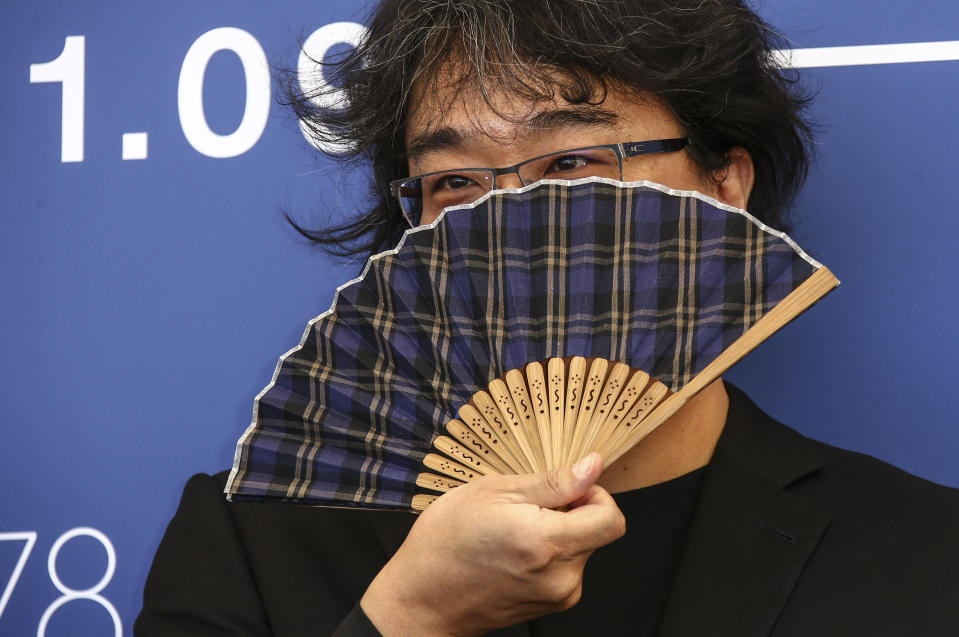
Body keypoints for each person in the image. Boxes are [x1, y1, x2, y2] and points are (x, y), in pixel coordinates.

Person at [136, 1, 959, 635]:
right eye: (453, 183)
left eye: (572, 162)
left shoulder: (925, 552)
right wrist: (408, 618)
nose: (508, 224)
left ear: (723, 186)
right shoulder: (253, 541)